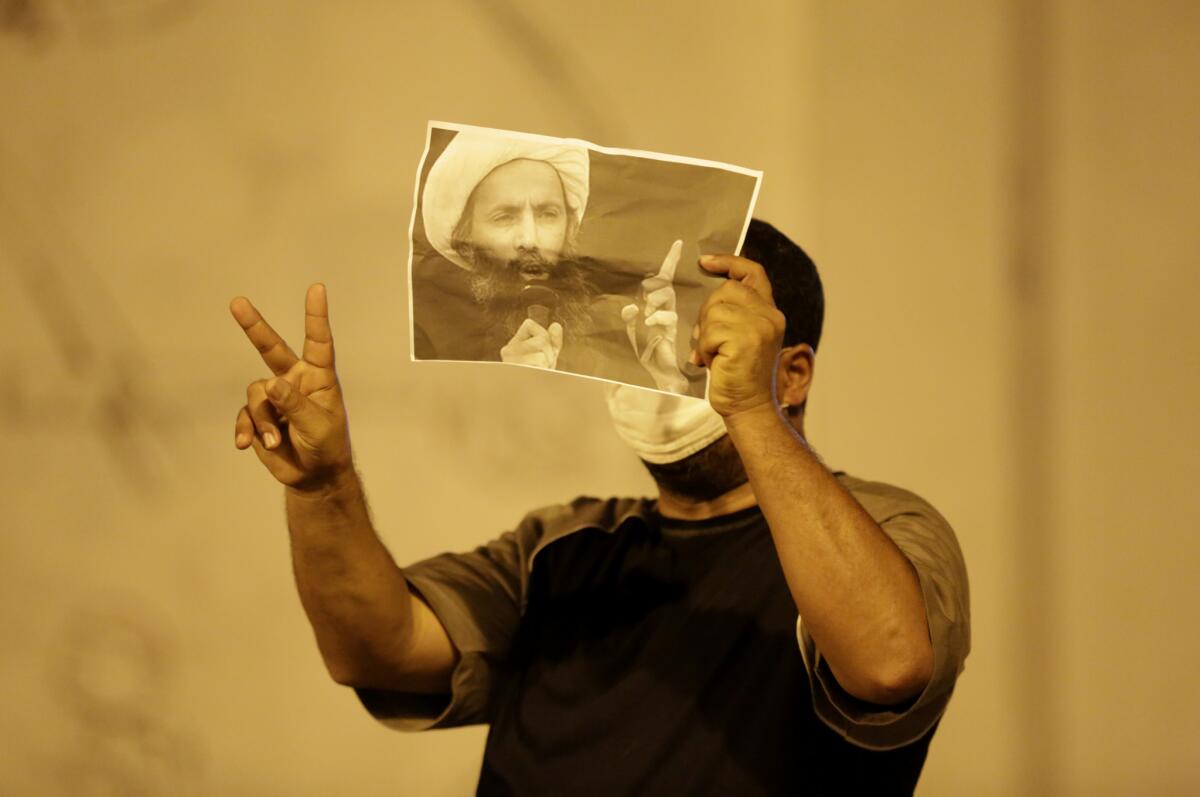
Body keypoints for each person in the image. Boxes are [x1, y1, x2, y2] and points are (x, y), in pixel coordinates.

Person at [230, 219, 970, 795]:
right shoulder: (560, 545)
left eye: (700, 338)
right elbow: (374, 649)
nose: (657, 359)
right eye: (635, 329)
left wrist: (749, 405)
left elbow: (889, 663)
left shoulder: (886, 529)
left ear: (794, 372)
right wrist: (322, 487)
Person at [414, 129, 690, 393]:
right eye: (504, 217)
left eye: (547, 214)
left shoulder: (619, 331)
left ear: (570, 226)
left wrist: (666, 379)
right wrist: (509, 385)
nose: (530, 240)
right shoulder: (424, 335)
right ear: (466, 239)